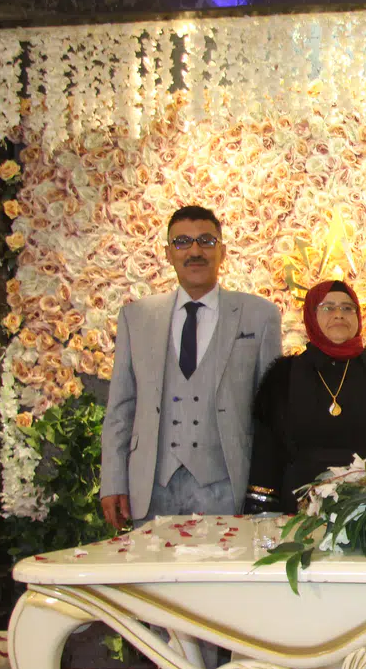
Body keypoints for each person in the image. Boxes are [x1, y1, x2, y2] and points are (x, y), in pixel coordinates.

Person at [100, 205, 283, 528]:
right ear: (168, 253)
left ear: (222, 251)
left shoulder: (260, 315)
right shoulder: (136, 317)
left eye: (206, 241)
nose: (195, 251)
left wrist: (265, 488)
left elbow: (271, 411)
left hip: (227, 485)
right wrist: (113, 480)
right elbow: (121, 406)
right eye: (182, 242)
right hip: (152, 485)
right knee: (151, 562)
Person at [247, 280, 366, 513]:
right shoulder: (283, 375)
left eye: (347, 308)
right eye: (328, 308)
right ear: (311, 316)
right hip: (302, 506)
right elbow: (267, 449)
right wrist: (262, 509)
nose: (339, 314)